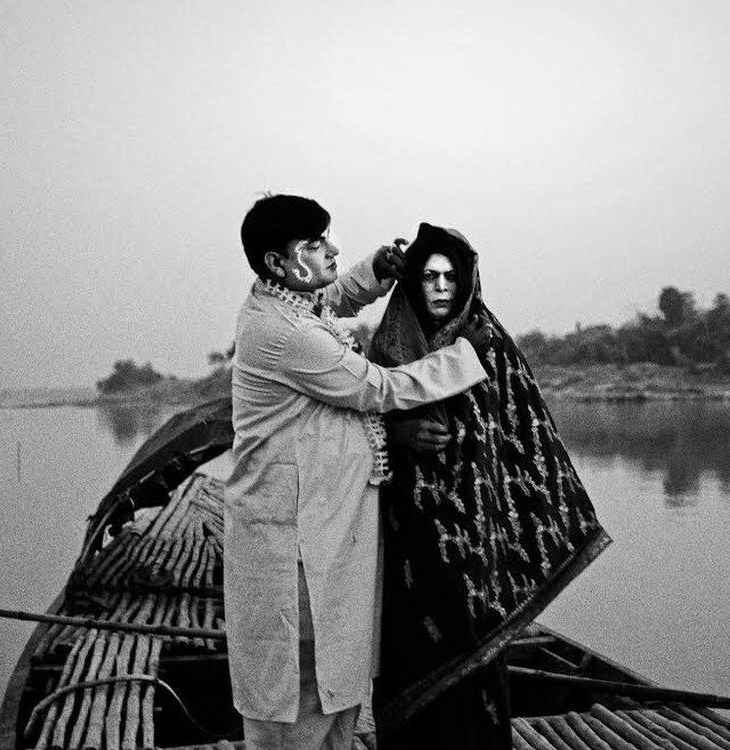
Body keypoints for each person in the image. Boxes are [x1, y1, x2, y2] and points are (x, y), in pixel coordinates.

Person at [224, 195, 494, 750]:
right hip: (292, 544)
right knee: (299, 686)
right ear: (279, 264)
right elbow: (379, 387)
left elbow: (331, 296)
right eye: (316, 244)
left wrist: (374, 271)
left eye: (328, 237)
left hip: (318, 528)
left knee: (333, 680)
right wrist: (465, 355)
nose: (332, 249)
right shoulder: (286, 334)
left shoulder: (285, 303)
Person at [368, 222, 612, 748]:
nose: (439, 288)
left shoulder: (489, 343)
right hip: (407, 534)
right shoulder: (386, 349)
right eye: (428, 276)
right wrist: (398, 430)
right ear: (411, 281)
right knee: (413, 652)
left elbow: (518, 437)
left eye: (450, 278)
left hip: (477, 539)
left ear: (467, 282)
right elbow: (356, 425)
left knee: (475, 657)